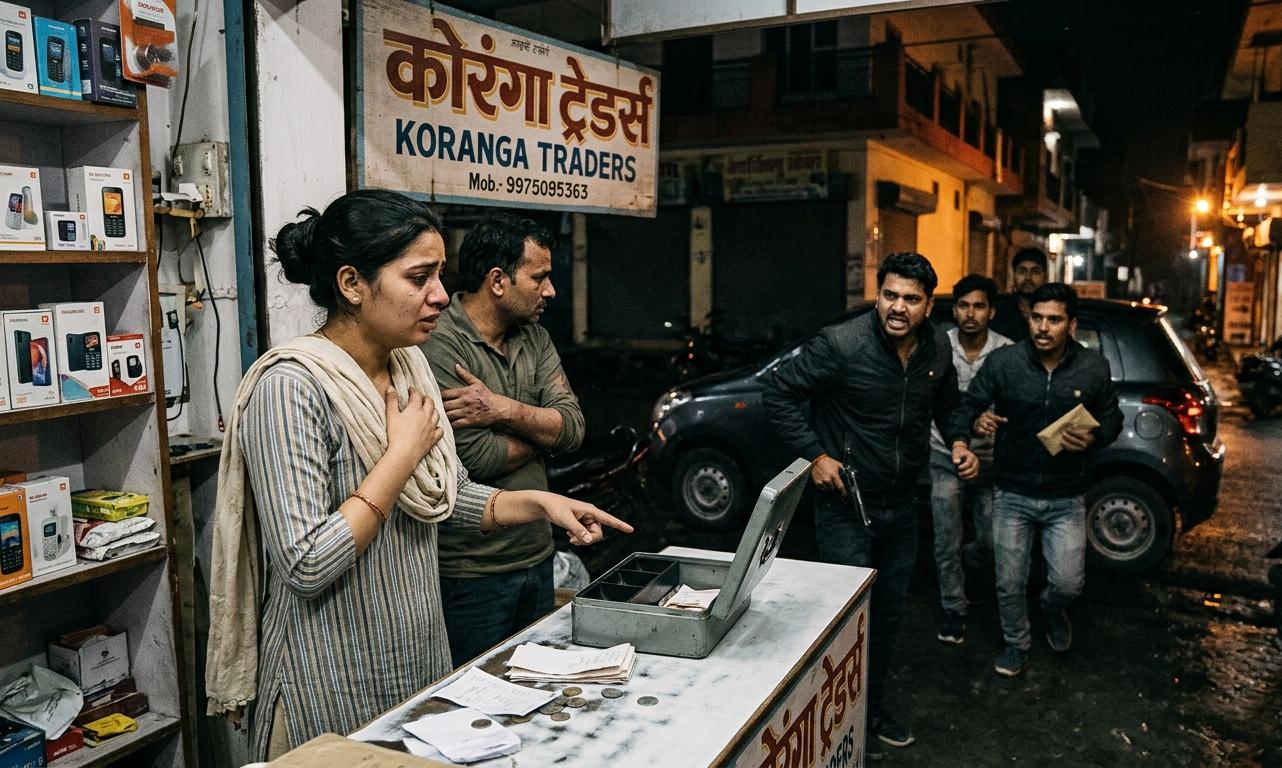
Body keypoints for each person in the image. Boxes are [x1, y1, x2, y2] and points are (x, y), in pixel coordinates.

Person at [203, 190, 631, 760]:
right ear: (353, 284)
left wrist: (538, 505)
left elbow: (447, 497)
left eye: (439, 276)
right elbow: (306, 563)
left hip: (412, 658)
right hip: (328, 671)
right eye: (419, 278)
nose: (438, 296)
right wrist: (400, 455)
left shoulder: (407, 368)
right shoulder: (292, 388)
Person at [763, 252, 978, 751]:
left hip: (902, 507)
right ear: (878, 294)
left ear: (929, 305)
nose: (897, 307)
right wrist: (816, 455)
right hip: (845, 506)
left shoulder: (938, 350)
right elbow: (779, 392)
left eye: (910, 299)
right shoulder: (842, 344)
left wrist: (961, 440)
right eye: (889, 295)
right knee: (843, 618)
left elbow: (947, 405)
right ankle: (828, 720)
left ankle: (869, 709)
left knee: (885, 618)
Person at [422, 212, 585, 667]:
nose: (550, 291)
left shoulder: (535, 338)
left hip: (536, 554)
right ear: (498, 280)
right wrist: (541, 432)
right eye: (539, 277)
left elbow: (573, 428)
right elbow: (475, 459)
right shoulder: (439, 344)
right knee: (473, 703)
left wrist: (503, 410)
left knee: (535, 690)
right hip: (471, 572)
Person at [953, 283, 1122, 678]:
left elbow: (1112, 418)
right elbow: (967, 406)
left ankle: (1052, 611)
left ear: (1072, 325)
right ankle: (1016, 643)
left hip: (1067, 497)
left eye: (1054, 320)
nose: (1043, 327)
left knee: (1068, 584)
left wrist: (1096, 436)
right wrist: (973, 426)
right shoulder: (1004, 363)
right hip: (1012, 492)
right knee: (1009, 582)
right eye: (1037, 318)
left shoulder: (1092, 367)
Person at [930, 274, 1012, 645]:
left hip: (991, 459)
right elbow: (928, 398)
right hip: (944, 455)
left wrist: (993, 419)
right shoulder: (938, 345)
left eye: (979, 306)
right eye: (963, 305)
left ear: (991, 311)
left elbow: (1014, 404)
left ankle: (973, 563)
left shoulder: (1007, 351)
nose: (970, 313)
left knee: (992, 540)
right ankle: (954, 608)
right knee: (945, 537)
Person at [1007, 247, 1049, 340]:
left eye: (1035, 272)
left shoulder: (1052, 310)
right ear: (1013, 275)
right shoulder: (1000, 310)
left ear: (1045, 277)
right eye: (1022, 271)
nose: (1028, 278)